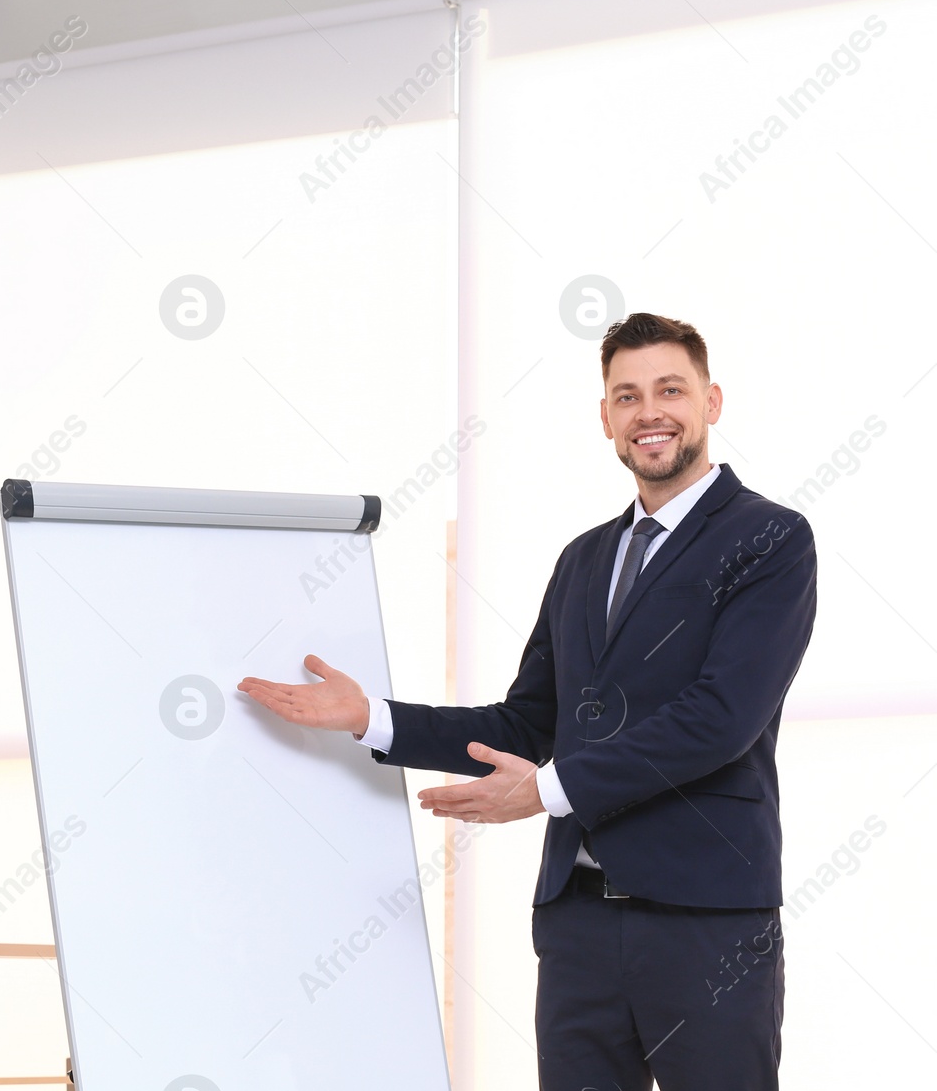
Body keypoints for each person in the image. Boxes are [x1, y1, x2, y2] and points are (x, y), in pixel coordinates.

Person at [238, 312, 817, 1091]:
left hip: (703, 925)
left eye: (670, 390)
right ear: (605, 417)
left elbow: (720, 719)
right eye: (627, 396)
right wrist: (372, 717)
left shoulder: (771, 540)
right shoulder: (583, 561)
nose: (650, 412)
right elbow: (526, 723)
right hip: (578, 926)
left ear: (711, 402)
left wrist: (544, 791)